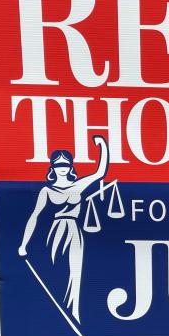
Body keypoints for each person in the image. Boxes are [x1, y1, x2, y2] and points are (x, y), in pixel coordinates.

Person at [18, 137, 109, 324]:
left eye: (65, 164)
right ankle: (56, 312)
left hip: (74, 230)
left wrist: (103, 145)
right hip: (55, 232)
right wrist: (23, 244)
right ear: (52, 166)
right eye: (58, 164)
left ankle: (75, 311)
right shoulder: (47, 191)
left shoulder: (79, 185)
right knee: (56, 269)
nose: (62, 167)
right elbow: (34, 217)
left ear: (70, 166)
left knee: (75, 271)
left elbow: (100, 172)